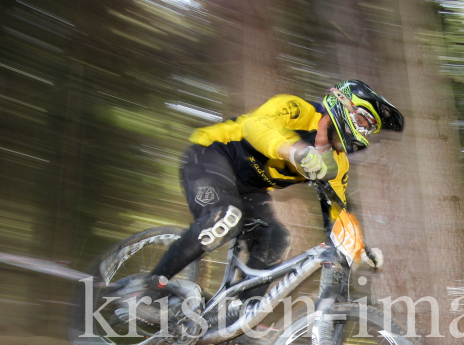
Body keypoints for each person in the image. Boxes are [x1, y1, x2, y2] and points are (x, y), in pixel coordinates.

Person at [113, 79, 404, 318]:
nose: (364, 131)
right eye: (364, 120)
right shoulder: (297, 109)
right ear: (344, 103)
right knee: (226, 216)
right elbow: (256, 126)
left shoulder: (337, 162)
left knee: (276, 238)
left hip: (249, 189)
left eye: (370, 129)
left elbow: (338, 210)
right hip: (212, 154)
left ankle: (238, 316)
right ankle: (150, 287)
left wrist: (360, 248)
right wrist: (293, 151)